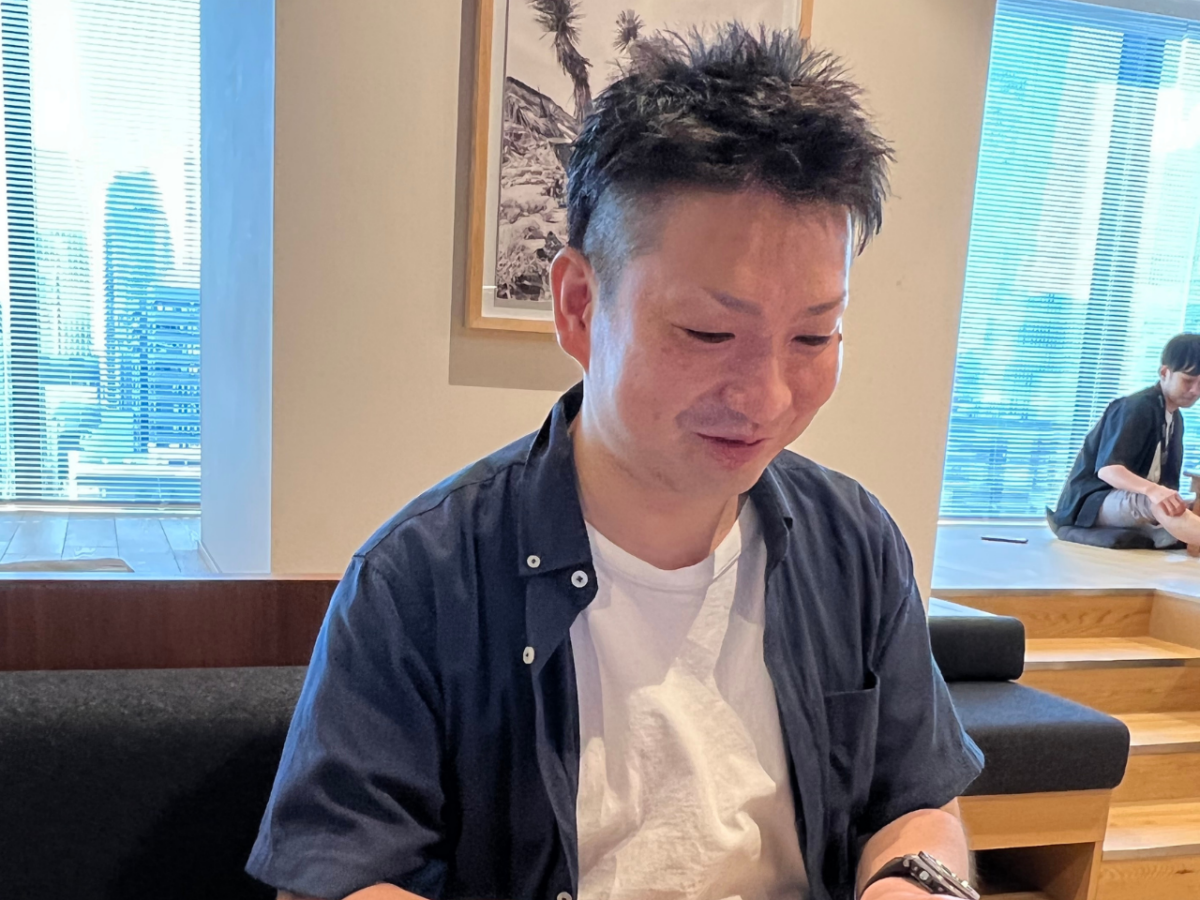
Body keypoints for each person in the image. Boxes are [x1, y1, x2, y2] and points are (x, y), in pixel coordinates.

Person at [247, 25, 983, 900]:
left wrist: (914, 881)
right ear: (578, 307)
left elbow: (916, 802)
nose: (767, 398)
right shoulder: (420, 580)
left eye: (814, 337)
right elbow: (343, 876)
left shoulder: (852, 543)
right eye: (709, 332)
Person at [1052, 334, 1200, 547]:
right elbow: (1108, 471)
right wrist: (1154, 491)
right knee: (1156, 501)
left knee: (1190, 504)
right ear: (1164, 373)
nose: (1195, 391)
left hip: (1129, 502)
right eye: (1188, 381)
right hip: (1092, 504)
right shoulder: (1136, 407)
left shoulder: (1175, 418)